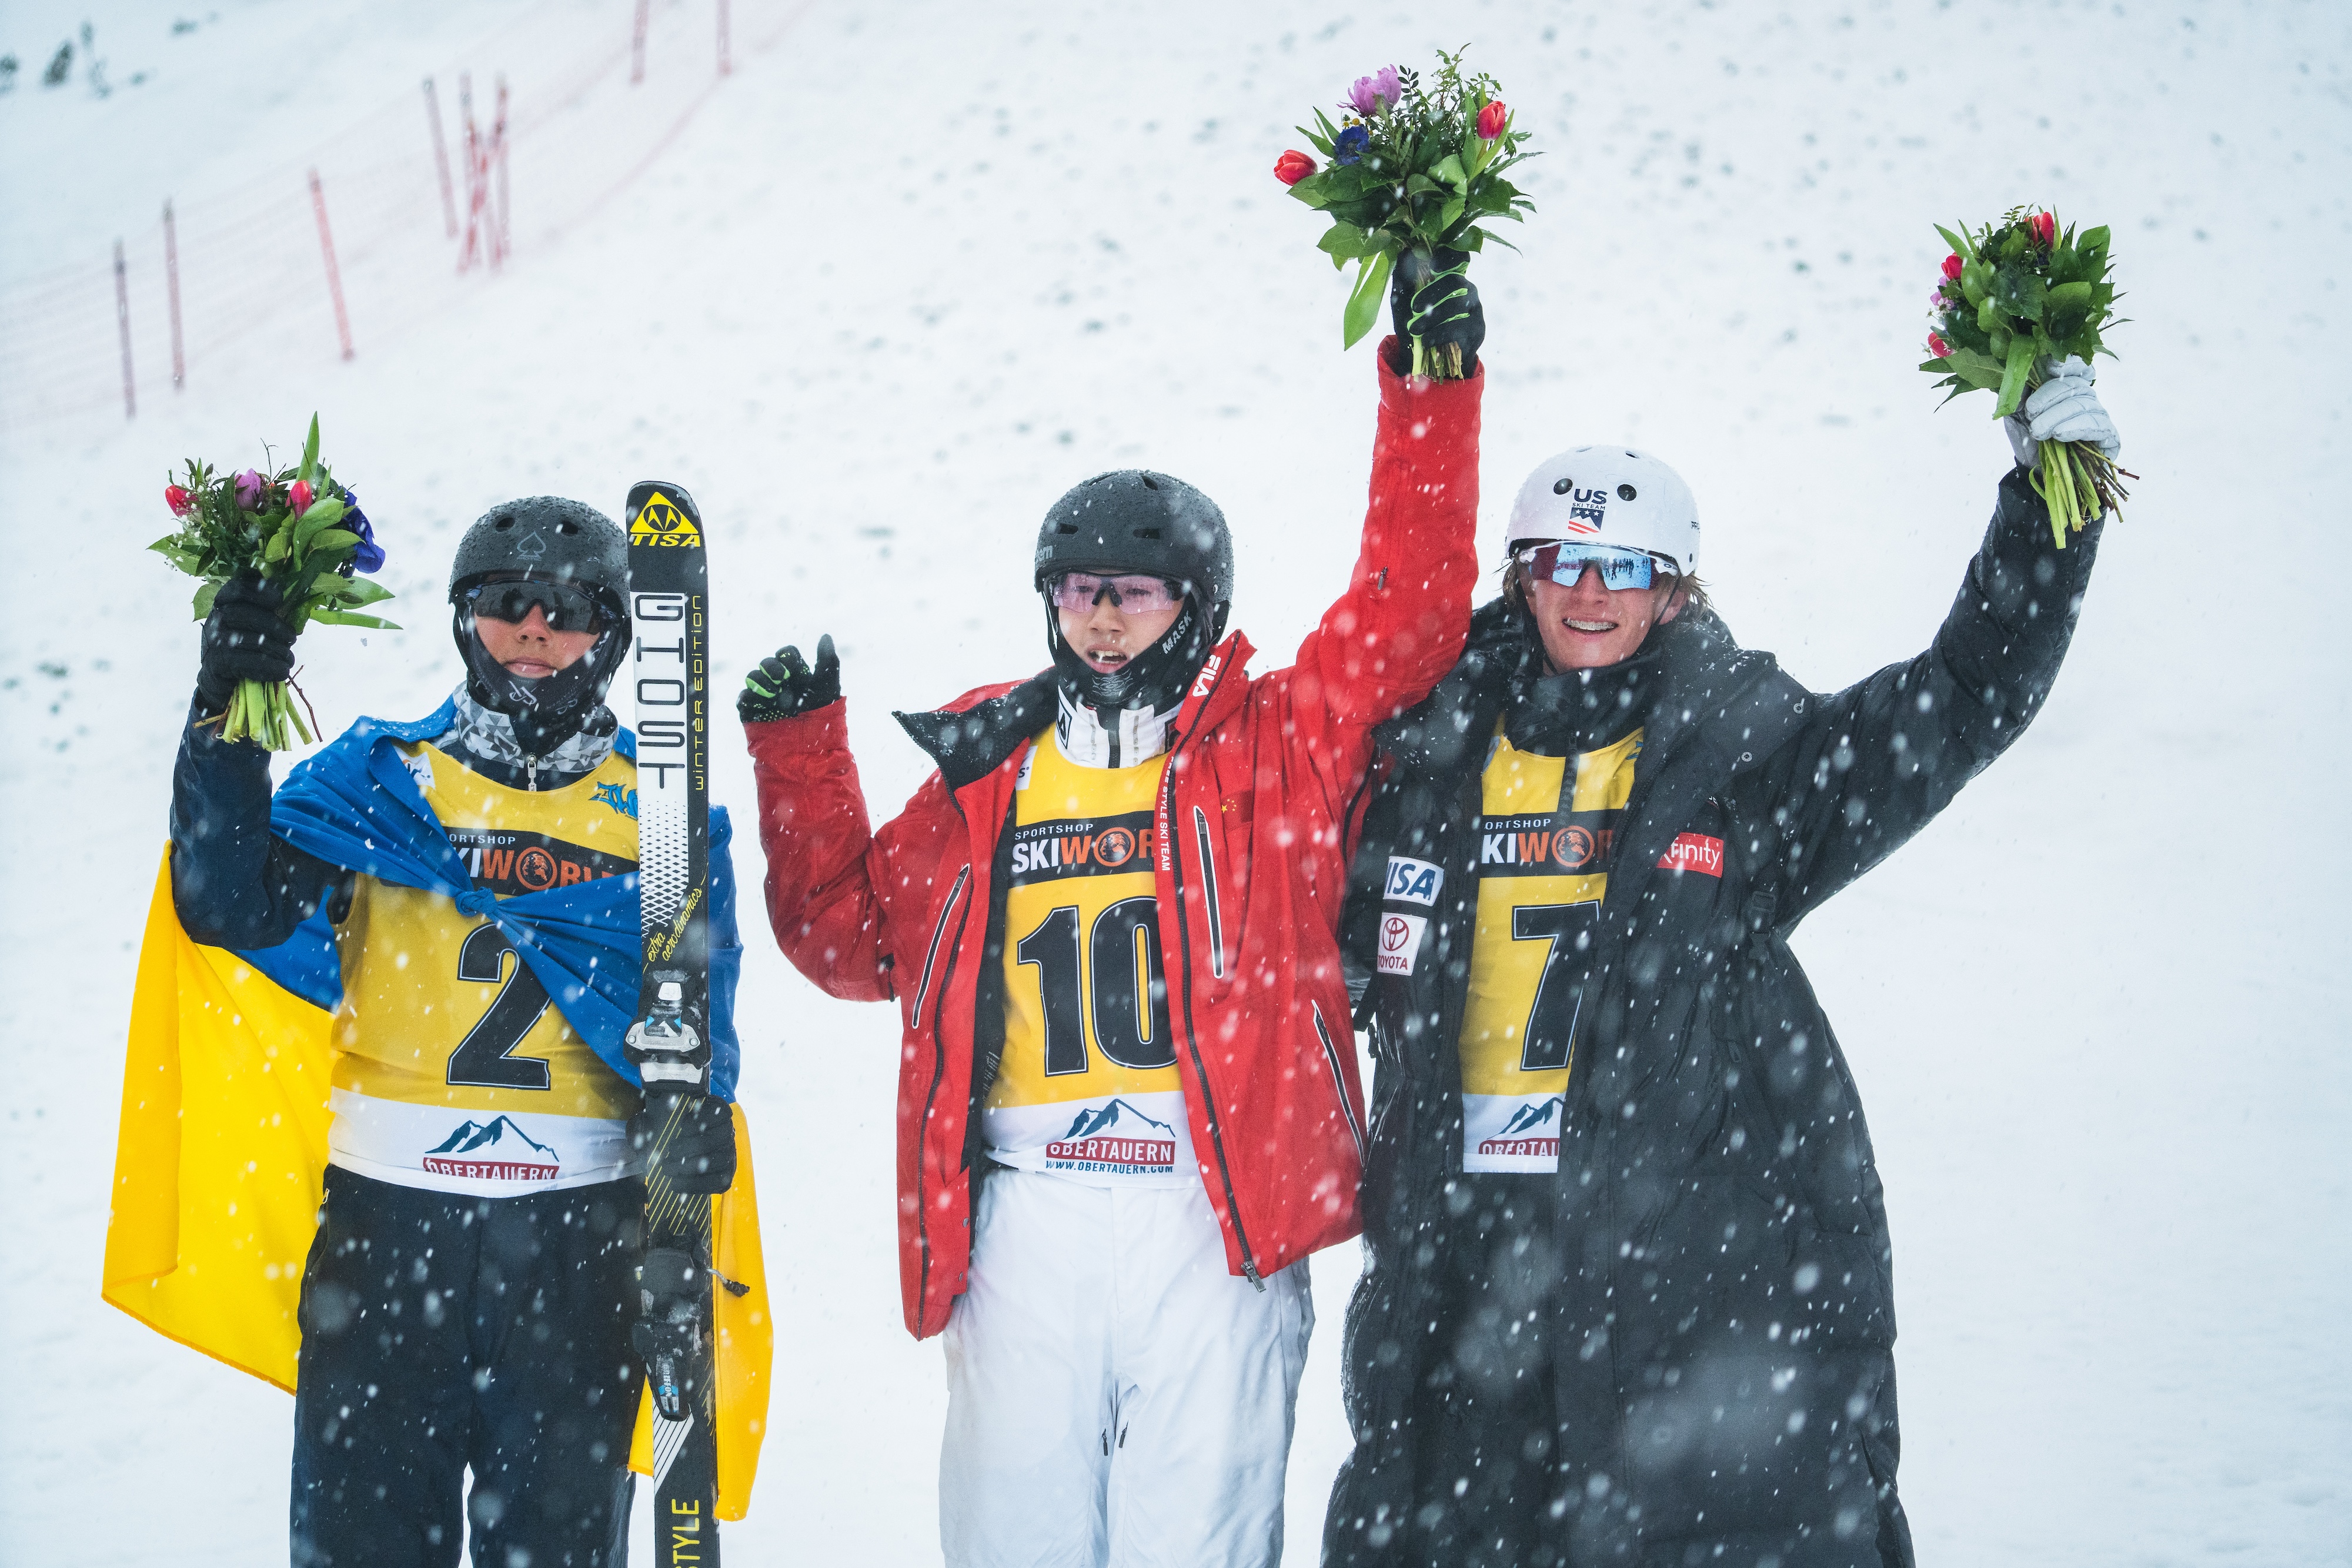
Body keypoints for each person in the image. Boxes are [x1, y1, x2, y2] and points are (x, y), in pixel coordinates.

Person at [737, 272, 1487, 1566]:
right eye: (1079, 588)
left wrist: (1426, 390)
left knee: (1194, 1541)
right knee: (1012, 1540)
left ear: (1192, 604)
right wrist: (800, 755)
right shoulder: (989, 761)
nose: (1099, 614)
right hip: (1025, 1212)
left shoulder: (1275, 740)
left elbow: (1407, 609)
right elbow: (847, 940)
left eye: (1132, 592)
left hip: (1214, 1209)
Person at [1323, 362, 2122, 1566]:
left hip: (1667, 1243)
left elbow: (1956, 699)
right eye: (1561, 562)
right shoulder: (1427, 752)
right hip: (1460, 1250)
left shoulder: (1738, 754)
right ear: (1521, 575)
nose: (1589, 591)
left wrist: (2046, 515)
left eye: (1625, 568)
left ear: (1673, 585)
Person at [168, 497, 744, 1568]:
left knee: (557, 1547)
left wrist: (693, 1117)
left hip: (576, 1244)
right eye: (506, 605)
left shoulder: (660, 814)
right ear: (461, 621)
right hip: (389, 1236)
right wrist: (225, 710)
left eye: (569, 610)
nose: (536, 629)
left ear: (614, 635)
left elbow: (700, 1023)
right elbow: (226, 900)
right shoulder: (381, 778)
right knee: (365, 1541)